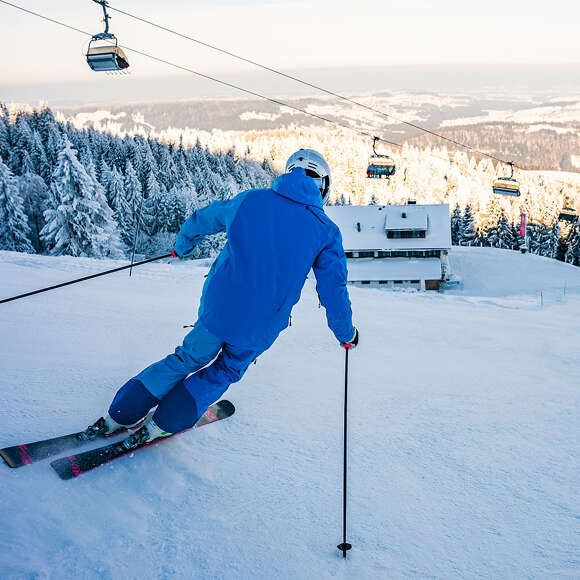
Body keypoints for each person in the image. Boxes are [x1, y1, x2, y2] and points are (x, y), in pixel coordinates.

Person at [88, 149, 359, 449]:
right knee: (226, 369)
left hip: (218, 310)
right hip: (260, 326)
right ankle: (163, 423)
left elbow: (203, 219)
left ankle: (120, 414)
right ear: (323, 186)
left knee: (187, 358)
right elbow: (334, 290)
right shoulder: (326, 231)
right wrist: (346, 334)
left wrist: (183, 246)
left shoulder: (250, 200)